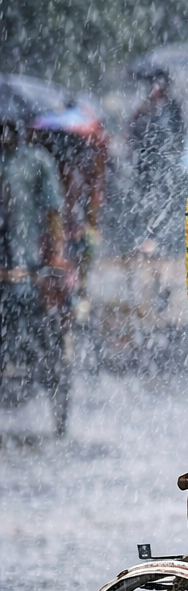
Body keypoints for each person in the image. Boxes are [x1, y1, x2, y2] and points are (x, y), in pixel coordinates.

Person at [0, 113, 68, 428]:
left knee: (32, 313)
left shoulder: (35, 162)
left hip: (27, 263)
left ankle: (34, 362)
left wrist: (56, 257)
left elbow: (53, 211)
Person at [126, 71, 186, 251]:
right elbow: (132, 135)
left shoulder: (173, 108)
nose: (156, 90)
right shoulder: (144, 108)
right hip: (145, 166)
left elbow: (180, 134)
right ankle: (145, 240)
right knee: (145, 202)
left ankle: (161, 242)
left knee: (165, 202)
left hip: (166, 165)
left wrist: (172, 153)